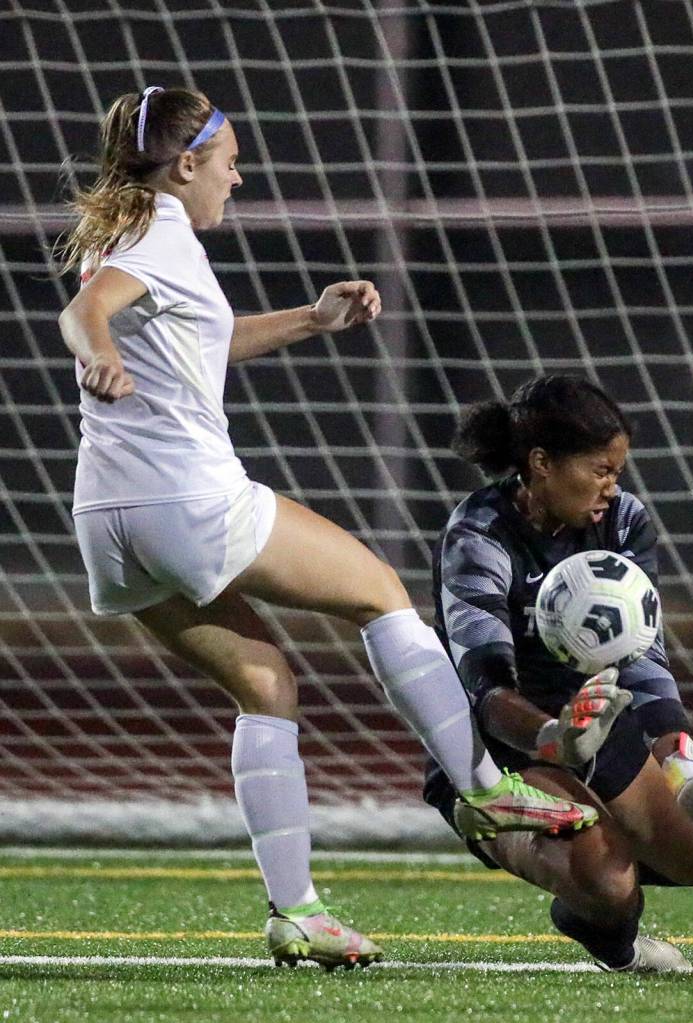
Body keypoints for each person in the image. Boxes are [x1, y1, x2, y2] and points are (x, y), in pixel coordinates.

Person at [56, 87, 598, 971]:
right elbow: (85, 314)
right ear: (186, 162)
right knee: (381, 593)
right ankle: (486, 789)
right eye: (229, 160)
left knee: (266, 684)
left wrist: (313, 319)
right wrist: (101, 353)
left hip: (107, 518)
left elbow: (198, 341)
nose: (239, 174)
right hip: (186, 501)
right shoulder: (156, 228)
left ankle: (298, 912)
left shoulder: (135, 230)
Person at [424, 374, 693, 972]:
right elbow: (485, 686)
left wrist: (686, 769)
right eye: (600, 470)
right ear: (542, 463)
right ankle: (607, 929)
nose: (613, 486)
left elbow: (643, 660)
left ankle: (598, 862)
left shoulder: (623, 521)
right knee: (608, 882)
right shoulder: (479, 533)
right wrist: (551, 738)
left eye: (617, 472)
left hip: (593, 723)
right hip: (491, 746)